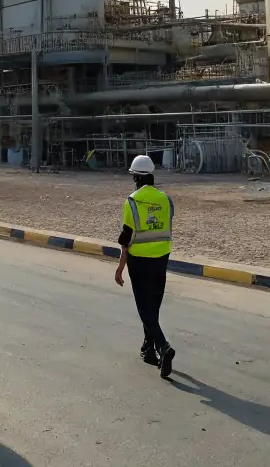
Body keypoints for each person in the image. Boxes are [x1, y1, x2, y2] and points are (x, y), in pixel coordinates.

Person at [113, 154, 175, 378]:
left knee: (144, 309)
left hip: (139, 261)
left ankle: (163, 346)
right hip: (161, 259)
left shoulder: (132, 201)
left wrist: (120, 268)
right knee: (153, 307)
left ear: (136, 179)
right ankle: (149, 350)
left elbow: (126, 239)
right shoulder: (166, 200)